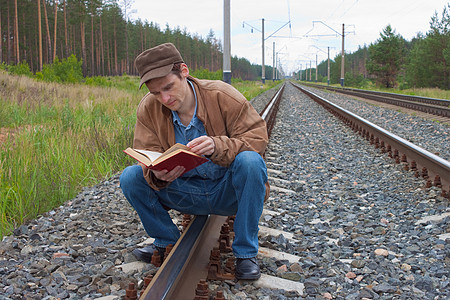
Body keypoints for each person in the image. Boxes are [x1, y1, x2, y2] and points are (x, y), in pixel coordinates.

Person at [119, 42, 269, 280]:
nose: (165, 98)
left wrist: (218, 145)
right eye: (156, 93)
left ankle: (245, 254)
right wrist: (155, 174)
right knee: (130, 177)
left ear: (184, 71)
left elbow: (258, 137)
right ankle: (166, 242)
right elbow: (146, 152)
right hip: (183, 192)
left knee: (251, 162)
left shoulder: (222, 95)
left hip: (225, 191)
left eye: (169, 87)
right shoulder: (148, 108)